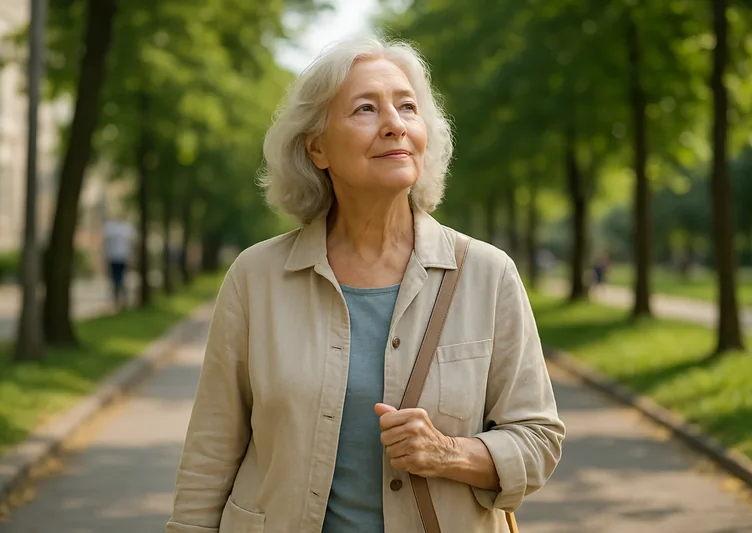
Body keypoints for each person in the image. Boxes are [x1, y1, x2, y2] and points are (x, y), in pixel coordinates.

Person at [167, 36, 565, 533]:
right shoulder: (256, 278)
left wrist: (448, 452)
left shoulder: (489, 274)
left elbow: (539, 439)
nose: (394, 124)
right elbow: (211, 451)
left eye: (407, 107)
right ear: (316, 147)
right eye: (365, 109)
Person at [102, 215, 136, 309]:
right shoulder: (111, 227)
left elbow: (131, 244)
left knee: (121, 278)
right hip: (114, 257)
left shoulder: (126, 228)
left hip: (122, 257)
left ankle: (122, 299)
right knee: (116, 279)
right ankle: (117, 299)